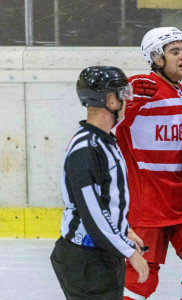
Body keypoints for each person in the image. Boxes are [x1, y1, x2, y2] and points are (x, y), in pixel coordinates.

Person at [115, 27, 182, 300]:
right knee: (141, 278)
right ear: (157, 59)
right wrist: (124, 93)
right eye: (175, 52)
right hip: (148, 203)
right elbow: (109, 111)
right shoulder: (141, 89)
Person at [50, 66, 149, 300]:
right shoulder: (86, 149)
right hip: (86, 259)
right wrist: (129, 252)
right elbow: (91, 212)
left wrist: (125, 229)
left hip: (100, 253)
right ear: (111, 100)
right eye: (123, 94)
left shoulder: (104, 142)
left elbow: (107, 197)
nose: (128, 99)